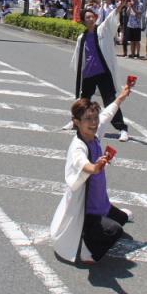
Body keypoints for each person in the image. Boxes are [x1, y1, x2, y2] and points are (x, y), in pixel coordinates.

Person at [49, 84, 133, 264]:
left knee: (123, 218)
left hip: (101, 202)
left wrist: (122, 96)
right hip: (87, 210)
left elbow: (107, 114)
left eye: (95, 118)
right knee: (115, 230)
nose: (94, 122)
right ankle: (89, 250)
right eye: (88, 119)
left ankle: (105, 218)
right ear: (76, 122)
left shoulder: (94, 133)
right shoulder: (78, 146)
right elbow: (81, 163)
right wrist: (94, 168)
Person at [65, 5, 130, 142]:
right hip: (88, 73)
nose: (91, 19)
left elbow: (110, 19)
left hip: (103, 73)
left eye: (92, 16)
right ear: (83, 21)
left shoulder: (102, 30)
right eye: (87, 17)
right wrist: (81, 73)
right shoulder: (82, 38)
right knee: (84, 101)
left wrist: (120, 6)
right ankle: (76, 122)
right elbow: (79, 57)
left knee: (110, 101)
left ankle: (122, 128)